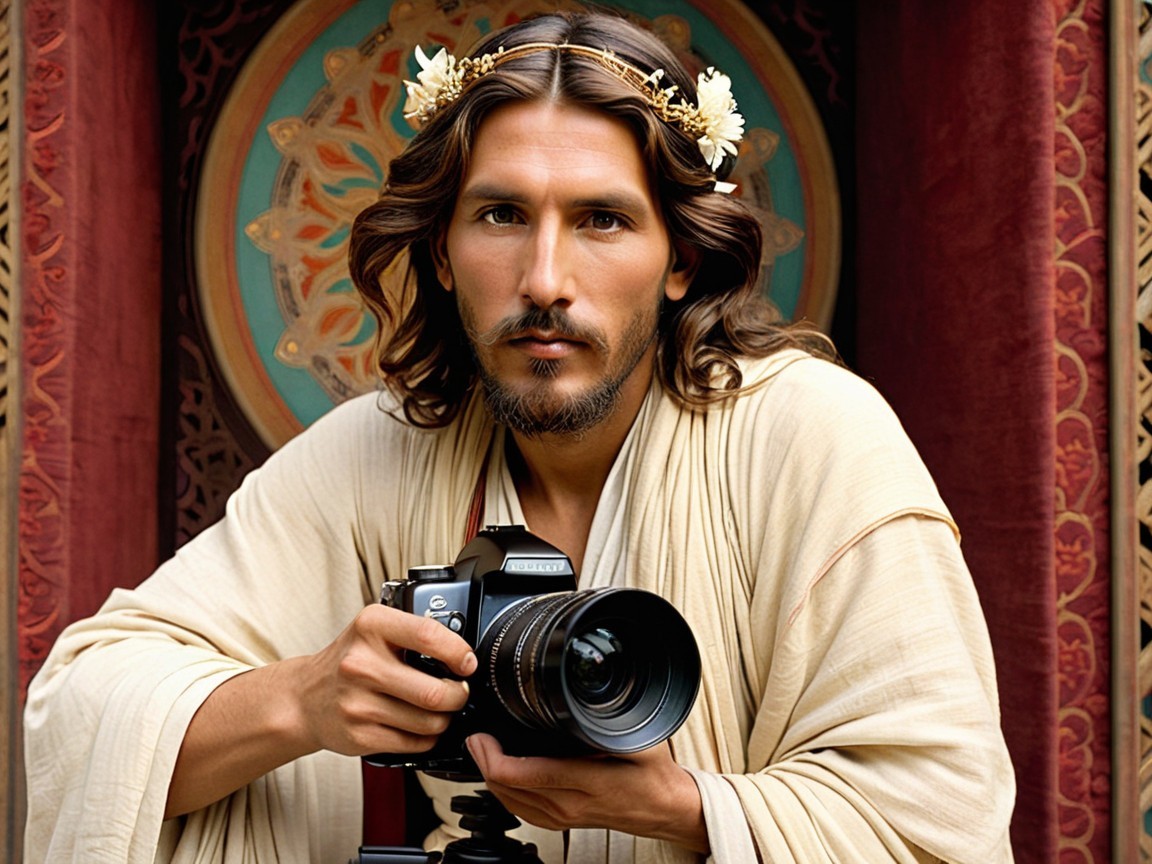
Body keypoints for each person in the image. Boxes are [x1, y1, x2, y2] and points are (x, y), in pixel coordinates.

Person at [23, 9, 1016, 864]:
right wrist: (306, 700)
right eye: (501, 213)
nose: (546, 278)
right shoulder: (376, 452)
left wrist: (679, 810)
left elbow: (942, 824)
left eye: (602, 221)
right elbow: (82, 712)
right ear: (444, 253)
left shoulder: (813, 439)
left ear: (680, 259)